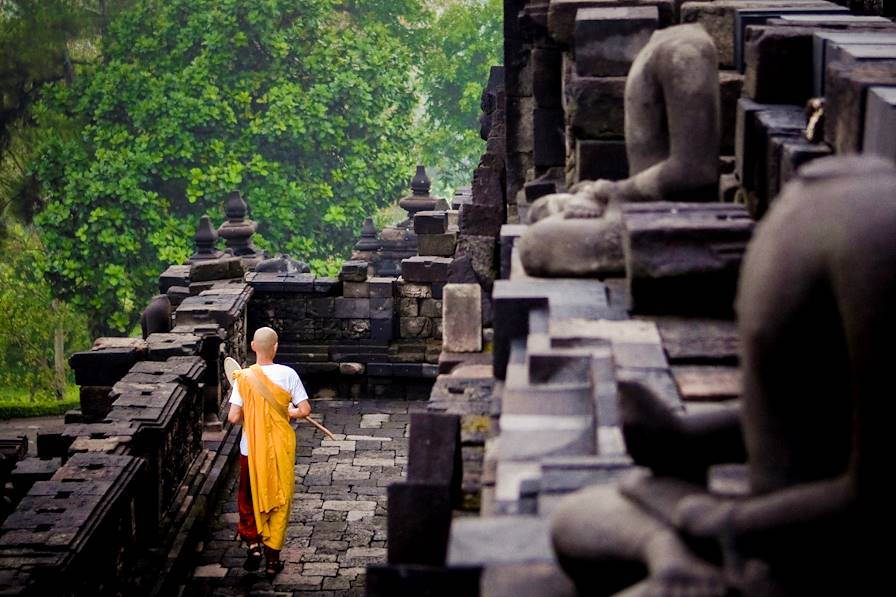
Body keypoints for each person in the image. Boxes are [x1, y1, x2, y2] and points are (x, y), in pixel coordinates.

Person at [227, 326, 312, 578]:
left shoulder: (243, 378)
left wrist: (252, 418)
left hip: (250, 450)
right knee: (279, 498)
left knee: (248, 498)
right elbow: (305, 410)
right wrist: (286, 413)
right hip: (280, 448)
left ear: (253, 347)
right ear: (275, 348)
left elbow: (233, 417)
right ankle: (273, 559)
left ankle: (253, 544)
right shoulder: (288, 374)